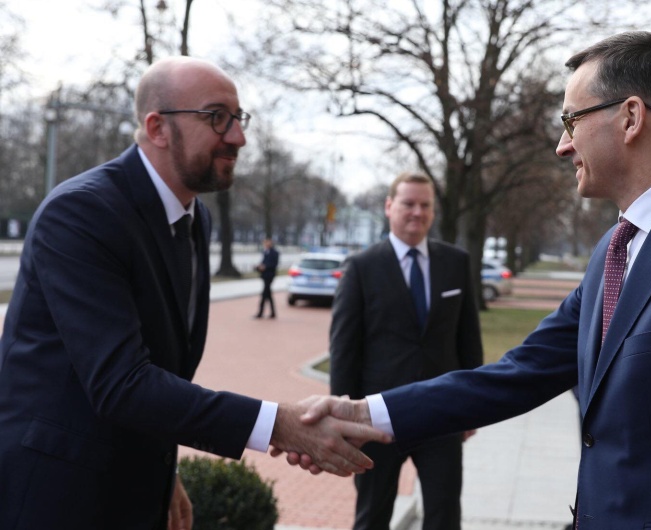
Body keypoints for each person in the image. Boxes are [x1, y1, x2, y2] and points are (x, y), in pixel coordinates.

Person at [295, 31, 651, 528]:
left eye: (571, 120)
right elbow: (518, 373)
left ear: (631, 117)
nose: (562, 146)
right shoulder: (612, 251)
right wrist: (362, 414)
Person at [0, 56, 389, 530]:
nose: (238, 138)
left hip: (134, 489)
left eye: (239, 118)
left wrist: (166, 473)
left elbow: (163, 370)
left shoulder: (193, 217)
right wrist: (282, 426)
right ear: (157, 127)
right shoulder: (82, 213)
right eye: (216, 117)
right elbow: (122, 384)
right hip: (56, 497)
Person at [329, 172, 483, 530]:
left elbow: (468, 339)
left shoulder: (455, 263)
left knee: (444, 517)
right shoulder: (361, 267)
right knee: (372, 517)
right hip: (376, 418)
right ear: (389, 207)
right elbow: (344, 349)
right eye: (408, 203)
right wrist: (343, 415)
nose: (417, 212)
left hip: (441, 413)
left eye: (425, 205)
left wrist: (475, 405)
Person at [255, 237, 279, 318]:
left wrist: (265, 267)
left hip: (270, 276)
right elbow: (263, 262)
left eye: (267, 242)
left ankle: (260, 313)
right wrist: (259, 267)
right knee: (268, 295)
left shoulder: (275, 253)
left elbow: (274, 264)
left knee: (264, 294)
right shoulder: (265, 252)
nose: (266, 244)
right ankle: (273, 313)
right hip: (264, 276)